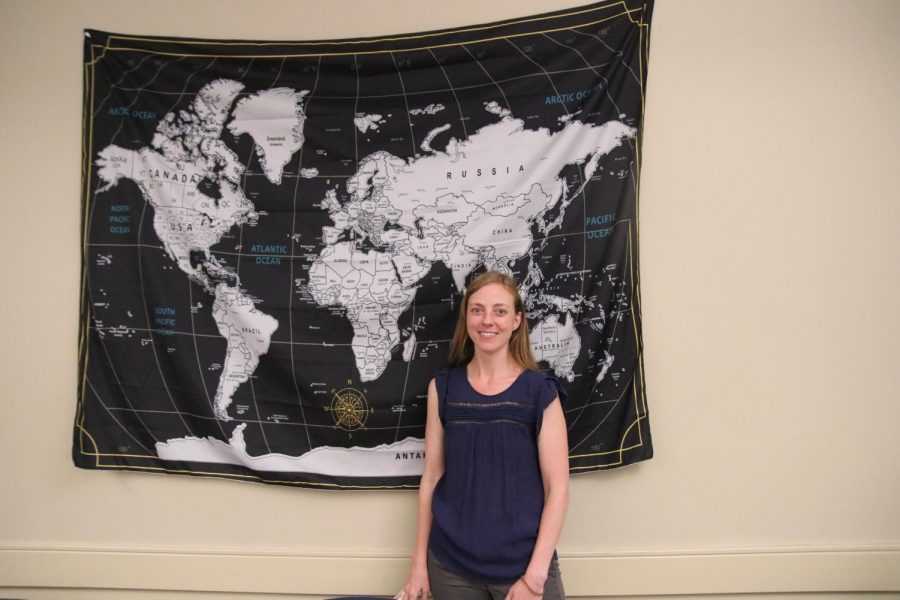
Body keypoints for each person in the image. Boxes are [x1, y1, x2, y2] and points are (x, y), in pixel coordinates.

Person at [398, 271, 569, 600]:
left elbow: (557, 489)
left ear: (517, 320)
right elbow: (432, 478)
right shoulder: (443, 388)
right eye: (477, 310)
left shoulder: (540, 392)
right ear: (466, 317)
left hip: (524, 568)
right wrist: (418, 564)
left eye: (500, 311)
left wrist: (534, 579)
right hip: (450, 568)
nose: (487, 320)